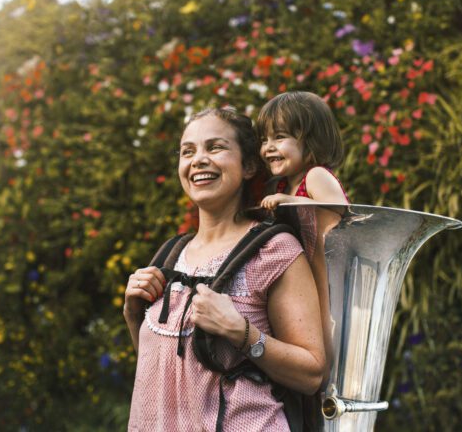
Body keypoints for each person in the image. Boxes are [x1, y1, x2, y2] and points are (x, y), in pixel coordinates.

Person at [124, 107, 326, 431]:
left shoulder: (274, 250)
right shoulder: (168, 256)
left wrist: (240, 331)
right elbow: (168, 372)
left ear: (247, 165)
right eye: (187, 152)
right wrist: (133, 315)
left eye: (215, 147)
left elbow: (311, 373)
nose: (198, 159)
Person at [255, 91, 350, 382]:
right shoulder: (283, 183)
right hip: (306, 280)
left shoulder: (316, 176)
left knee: (327, 352)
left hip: (327, 277)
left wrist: (290, 200)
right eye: (264, 140)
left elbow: (344, 213)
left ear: (311, 141)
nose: (269, 147)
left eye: (280, 137)